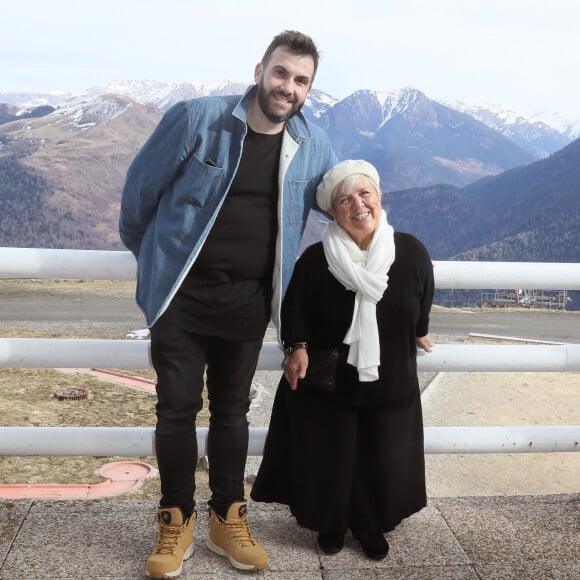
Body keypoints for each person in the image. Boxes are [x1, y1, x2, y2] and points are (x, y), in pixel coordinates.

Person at [119, 30, 337, 578]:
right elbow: (138, 196)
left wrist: (399, 270)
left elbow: (349, 203)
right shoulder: (197, 119)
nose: (288, 87)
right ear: (261, 69)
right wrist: (156, 263)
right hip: (181, 301)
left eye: (301, 80)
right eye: (282, 73)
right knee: (174, 411)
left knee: (233, 413)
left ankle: (226, 518)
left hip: (248, 305)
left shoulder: (313, 146)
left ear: (310, 89)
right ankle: (175, 520)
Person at [251, 159, 434, 560]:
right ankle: (330, 523)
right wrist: (296, 346)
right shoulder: (317, 260)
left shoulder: (411, 252)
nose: (357, 205)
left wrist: (420, 330)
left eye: (364, 194)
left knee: (381, 452)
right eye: (344, 200)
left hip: (389, 376)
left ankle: (371, 524)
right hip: (332, 381)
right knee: (330, 451)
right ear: (333, 212)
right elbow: (295, 309)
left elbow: (422, 298)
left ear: (379, 197)